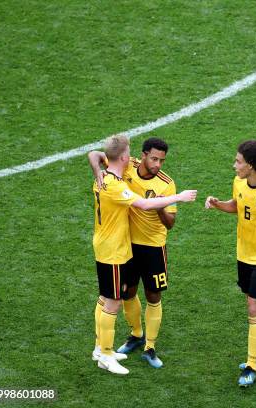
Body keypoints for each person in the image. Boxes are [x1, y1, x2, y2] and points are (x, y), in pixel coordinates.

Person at [91, 135, 196, 375]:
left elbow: (170, 223)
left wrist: (163, 205)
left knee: (150, 293)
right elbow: (142, 205)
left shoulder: (164, 183)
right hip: (121, 246)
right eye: (154, 158)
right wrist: (179, 198)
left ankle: (149, 346)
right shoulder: (122, 172)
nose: (158, 164)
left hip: (150, 246)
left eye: (162, 160)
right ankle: (126, 340)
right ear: (140, 155)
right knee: (118, 295)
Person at [205, 140, 256, 388]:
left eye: (238, 161)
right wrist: (218, 204)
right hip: (243, 254)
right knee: (254, 306)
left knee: (254, 307)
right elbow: (238, 205)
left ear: (251, 166)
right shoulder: (239, 183)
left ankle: (251, 365)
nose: (235, 165)